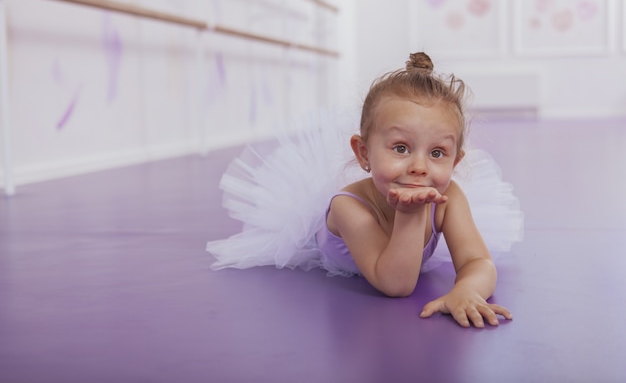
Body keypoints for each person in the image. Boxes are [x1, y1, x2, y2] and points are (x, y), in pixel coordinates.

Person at [206, 52, 523, 328]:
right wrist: (410, 212)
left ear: (455, 162)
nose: (419, 166)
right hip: (344, 250)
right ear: (364, 154)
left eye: (437, 153)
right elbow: (396, 285)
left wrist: (467, 289)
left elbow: (478, 262)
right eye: (400, 148)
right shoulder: (348, 208)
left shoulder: (448, 197)